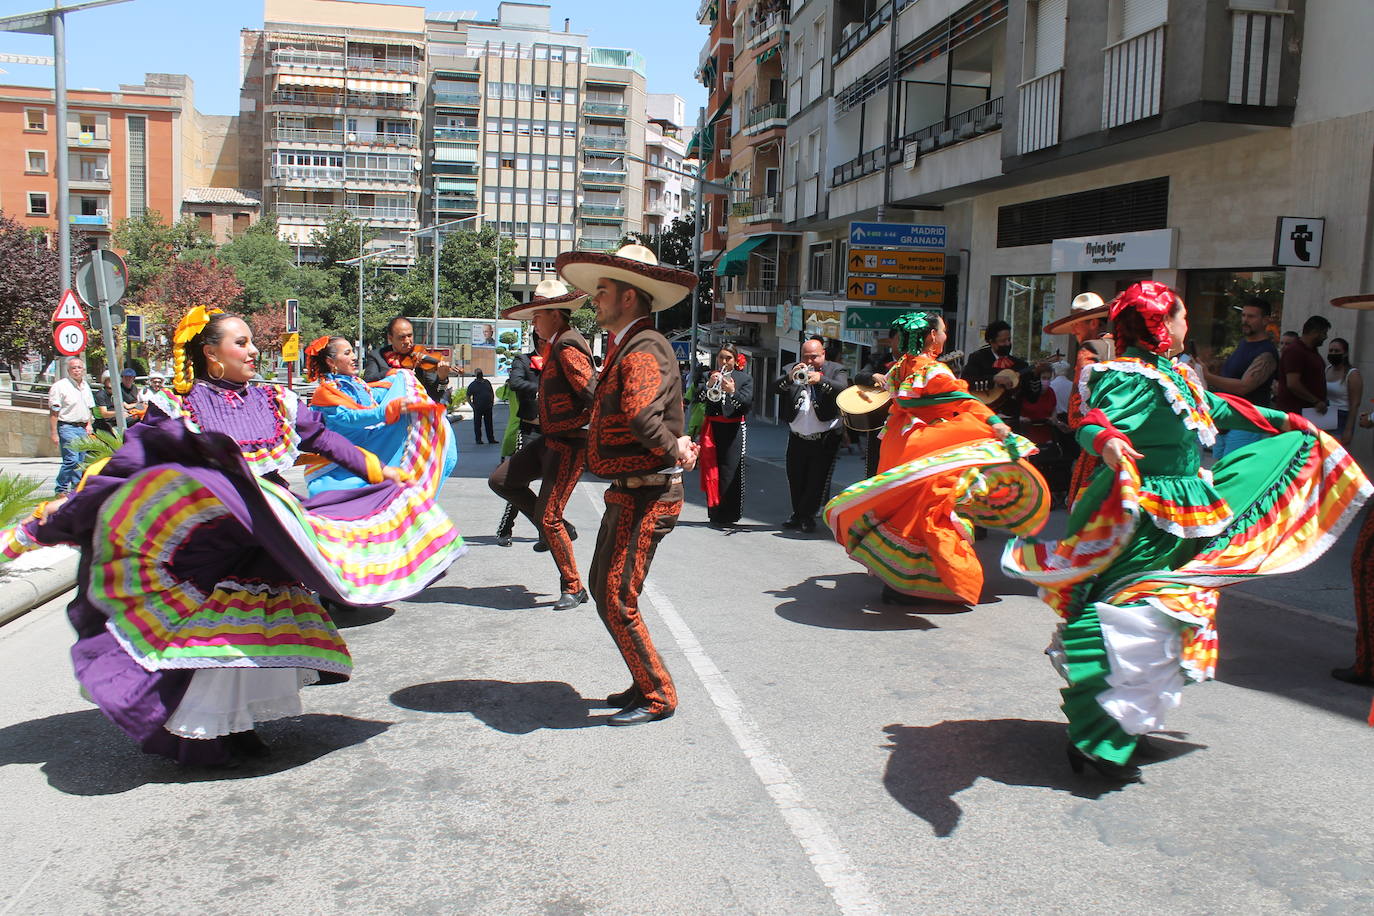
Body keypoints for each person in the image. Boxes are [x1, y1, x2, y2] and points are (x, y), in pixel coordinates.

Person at [0, 307, 465, 767]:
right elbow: (131, 462)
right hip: (209, 543)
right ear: (211, 353)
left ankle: (238, 722)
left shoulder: (276, 401)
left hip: (269, 535)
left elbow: (325, 440)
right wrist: (74, 502)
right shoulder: (178, 405)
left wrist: (386, 473)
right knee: (213, 633)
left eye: (250, 341)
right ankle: (209, 730)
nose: (253, 350)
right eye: (240, 342)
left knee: (253, 629)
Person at [1004, 281, 1369, 783]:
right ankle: (1096, 738)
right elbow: (1092, 421)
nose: (1186, 325)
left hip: (1188, 511)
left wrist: (1285, 422)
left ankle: (1122, 723)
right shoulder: (1126, 376)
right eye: (1178, 316)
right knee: (1131, 617)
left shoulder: (1176, 374)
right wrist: (1108, 442)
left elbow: (1221, 409)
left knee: (1167, 617)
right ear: (1158, 323)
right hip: (1145, 513)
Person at [556, 243, 699, 726]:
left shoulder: (644, 348)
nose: (594, 301)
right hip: (632, 490)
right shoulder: (634, 347)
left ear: (629, 299)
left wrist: (673, 448)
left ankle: (659, 695)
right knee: (605, 588)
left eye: (602, 292)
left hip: (649, 492)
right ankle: (643, 681)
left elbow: (640, 414)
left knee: (616, 595)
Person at [825, 312, 1049, 606]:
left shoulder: (902, 367)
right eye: (943, 331)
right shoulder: (933, 371)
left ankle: (898, 582)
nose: (945, 336)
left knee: (905, 510)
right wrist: (997, 425)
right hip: (925, 448)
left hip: (898, 444)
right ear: (931, 335)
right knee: (931, 512)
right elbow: (965, 401)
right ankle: (931, 583)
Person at [488, 279, 596, 610]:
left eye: (537, 315)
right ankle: (559, 528)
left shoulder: (566, 347)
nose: (533, 322)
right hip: (549, 439)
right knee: (501, 480)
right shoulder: (557, 343)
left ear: (553, 314)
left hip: (569, 443)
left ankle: (574, 587)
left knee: (548, 518)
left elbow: (594, 393)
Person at [302, 334, 457, 496]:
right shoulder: (326, 392)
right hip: (343, 463)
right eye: (347, 353)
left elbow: (375, 395)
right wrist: (390, 409)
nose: (354, 357)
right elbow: (351, 418)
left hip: (367, 449)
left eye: (353, 352)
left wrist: (400, 377)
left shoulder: (357, 383)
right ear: (331, 362)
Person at [1043, 292, 1113, 508]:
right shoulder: (1121, 345)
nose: (1073, 330)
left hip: (1099, 443)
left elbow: (1076, 414)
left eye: (1077, 324)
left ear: (1093, 323)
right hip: (1131, 442)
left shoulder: (1090, 349)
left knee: (1085, 511)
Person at [773, 338, 849, 533]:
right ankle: (797, 514)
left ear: (823, 354)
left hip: (824, 438)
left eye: (814, 357)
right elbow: (774, 388)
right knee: (795, 477)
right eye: (806, 357)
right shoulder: (791, 368)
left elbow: (844, 389)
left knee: (816, 481)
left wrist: (821, 380)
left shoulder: (836, 369)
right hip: (797, 436)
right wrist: (790, 377)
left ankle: (806, 516)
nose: (809, 361)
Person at [1201, 297, 1279, 459]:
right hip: (1226, 421)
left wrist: (1208, 376)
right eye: (1243, 315)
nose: (1245, 320)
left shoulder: (1266, 352)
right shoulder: (1243, 344)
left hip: (1247, 423)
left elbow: (1244, 386)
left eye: (1251, 316)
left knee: (1233, 473)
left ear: (1265, 320)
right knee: (1218, 473)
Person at [495, 331, 546, 547]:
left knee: (552, 488)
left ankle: (546, 529)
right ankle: (506, 528)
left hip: (555, 433)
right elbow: (515, 383)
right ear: (540, 340)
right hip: (529, 431)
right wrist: (544, 389)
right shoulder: (522, 361)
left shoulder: (562, 362)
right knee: (515, 482)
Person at [695, 343, 753, 527]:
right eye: (721, 357)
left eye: (728, 358)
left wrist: (732, 392)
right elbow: (698, 398)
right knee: (711, 469)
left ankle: (729, 513)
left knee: (730, 471)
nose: (724, 361)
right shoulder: (708, 376)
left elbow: (746, 404)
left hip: (733, 429)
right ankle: (714, 512)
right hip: (712, 428)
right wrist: (709, 385)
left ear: (735, 360)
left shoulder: (744, 379)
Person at [961, 319, 1042, 428]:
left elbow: (1032, 398)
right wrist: (993, 379)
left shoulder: (1020, 365)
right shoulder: (979, 358)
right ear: (992, 341)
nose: (1007, 344)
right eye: (1003, 341)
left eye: (1009, 340)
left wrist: (1035, 376)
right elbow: (966, 382)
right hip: (983, 419)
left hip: (1011, 422)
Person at [362, 316, 452, 404]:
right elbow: (367, 381)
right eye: (402, 337)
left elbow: (436, 396)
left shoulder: (420, 357)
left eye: (410, 336)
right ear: (390, 338)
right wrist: (392, 373)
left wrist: (442, 379)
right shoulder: (377, 356)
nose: (407, 341)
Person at [854, 332, 899, 480]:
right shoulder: (878, 360)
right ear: (891, 340)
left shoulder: (916, 364)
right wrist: (873, 376)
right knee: (874, 468)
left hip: (902, 422)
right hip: (879, 422)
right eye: (899, 339)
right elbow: (859, 377)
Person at [46, 357, 94, 494]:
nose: (77, 370)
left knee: (81, 461)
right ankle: (61, 488)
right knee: (71, 460)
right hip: (67, 426)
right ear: (68, 370)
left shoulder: (86, 386)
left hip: (82, 427)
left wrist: (89, 424)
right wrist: (54, 433)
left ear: (83, 370)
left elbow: (89, 407)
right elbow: (54, 411)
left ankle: (76, 489)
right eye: (73, 368)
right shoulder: (60, 386)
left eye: (79, 367)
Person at [1275, 314, 1331, 417]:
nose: (1326, 337)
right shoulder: (1295, 351)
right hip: (1295, 413)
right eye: (1324, 333)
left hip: (1310, 413)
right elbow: (1293, 383)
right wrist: (1316, 401)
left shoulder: (1312, 351)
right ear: (1314, 333)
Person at [1325, 337, 1362, 446]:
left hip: (1342, 417)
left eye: (1337, 351)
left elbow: (1355, 404)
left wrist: (1348, 430)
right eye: (1331, 350)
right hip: (1326, 414)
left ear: (1345, 353)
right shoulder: (1327, 369)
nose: (1333, 353)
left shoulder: (1352, 374)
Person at [466, 368, 496, 444]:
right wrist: (472, 405)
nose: (479, 373)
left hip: (488, 406)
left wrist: (492, 401)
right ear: (475, 375)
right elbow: (468, 396)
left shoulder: (487, 382)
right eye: (478, 372)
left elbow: (491, 392)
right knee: (477, 424)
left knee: (489, 424)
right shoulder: (473, 385)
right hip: (478, 407)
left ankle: (491, 439)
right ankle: (478, 439)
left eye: (480, 372)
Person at [90, 370, 116, 434]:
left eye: (114, 379)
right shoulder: (100, 395)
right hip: (103, 423)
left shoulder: (115, 394)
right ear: (104, 381)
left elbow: (125, 405)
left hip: (113, 421)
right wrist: (119, 413)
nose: (112, 381)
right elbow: (104, 414)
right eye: (109, 380)